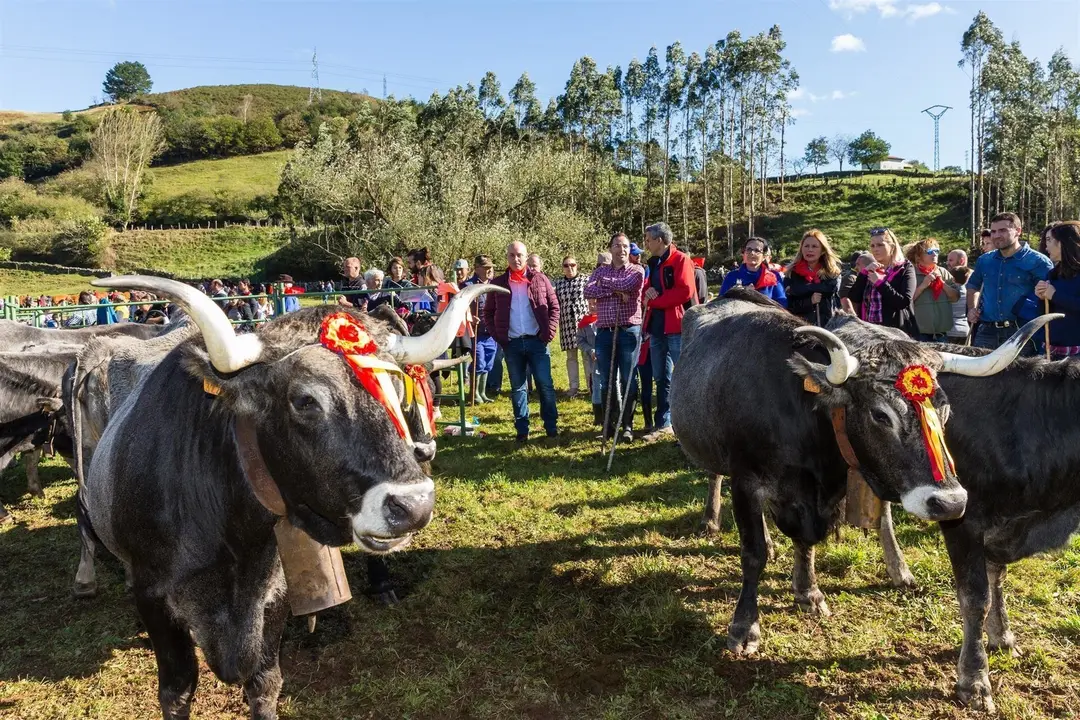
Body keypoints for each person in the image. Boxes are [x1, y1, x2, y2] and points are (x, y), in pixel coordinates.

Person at [483, 241, 561, 443]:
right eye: (511, 255)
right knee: (518, 388)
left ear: (526, 257)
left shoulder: (540, 280)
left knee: (545, 385)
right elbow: (488, 313)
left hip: (537, 342)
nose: (516, 259)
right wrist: (499, 337)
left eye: (519, 255)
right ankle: (522, 430)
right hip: (512, 344)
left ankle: (551, 427)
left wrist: (548, 333)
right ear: (506, 257)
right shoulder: (498, 284)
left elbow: (554, 307)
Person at [584, 232, 646, 442]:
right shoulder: (600, 270)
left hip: (628, 331)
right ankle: (609, 425)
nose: (622, 250)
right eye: (618, 246)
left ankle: (627, 425)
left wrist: (605, 285)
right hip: (605, 332)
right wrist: (614, 289)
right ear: (610, 249)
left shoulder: (637, 270)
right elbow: (587, 290)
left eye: (626, 246)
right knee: (606, 381)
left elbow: (629, 286)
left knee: (628, 379)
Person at [641, 222, 697, 441]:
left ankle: (689, 425)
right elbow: (647, 289)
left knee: (683, 376)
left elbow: (685, 291)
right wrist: (649, 293)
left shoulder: (681, 260)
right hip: (656, 328)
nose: (646, 243)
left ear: (660, 240)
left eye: (648, 239)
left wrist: (657, 301)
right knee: (661, 376)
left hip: (676, 327)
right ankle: (664, 422)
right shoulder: (653, 263)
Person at [966, 212, 1053, 350]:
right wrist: (972, 308)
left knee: (1020, 372)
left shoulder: (1039, 262)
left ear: (1018, 231)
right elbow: (973, 286)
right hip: (986, 331)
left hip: (1022, 331)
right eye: (993, 231)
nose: (996, 235)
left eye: (1003, 230)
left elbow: (1051, 298)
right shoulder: (984, 261)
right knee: (982, 372)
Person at [849, 228, 916, 337]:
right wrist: (864, 273)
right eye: (872, 246)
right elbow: (854, 297)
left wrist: (880, 283)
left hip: (896, 333)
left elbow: (904, 302)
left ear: (892, 247)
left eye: (880, 245)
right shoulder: (871, 269)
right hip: (870, 331)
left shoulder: (905, 268)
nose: (875, 249)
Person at [1030, 221, 1080, 359]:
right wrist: (1041, 298)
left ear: (1063, 243)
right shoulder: (1052, 274)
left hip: (1076, 356)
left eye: (1049, 240)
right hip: (1051, 352)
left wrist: (1055, 295)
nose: (1046, 247)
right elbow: (1045, 314)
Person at [784, 229, 841, 326]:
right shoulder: (791, 273)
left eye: (814, 246)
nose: (809, 250)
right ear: (801, 248)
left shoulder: (832, 272)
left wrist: (799, 289)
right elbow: (789, 305)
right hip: (801, 326)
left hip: (828, 326)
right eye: (806, 246)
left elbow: (830, 289)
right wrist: (810, 301)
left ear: (822, 250)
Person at [909, 238, 960, 342]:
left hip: (942, 334)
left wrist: (942, 284)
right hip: (919, 334)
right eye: (930, 252)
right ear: (918, 257)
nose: (935, 254)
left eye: (936, 251)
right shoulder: (911, 273)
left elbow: (955, 298)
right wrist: (923, 285)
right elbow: (907, 301)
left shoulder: (944, 272)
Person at [554, 254, 589, 397]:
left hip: (584, 324)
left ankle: (591, 385)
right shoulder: (559, 284)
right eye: (566, 265)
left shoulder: (585, 280)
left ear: (577, 266)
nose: (570, 268)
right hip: (567, 324)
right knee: (571, 357)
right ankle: (574, 387)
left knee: (587, 355)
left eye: (572, 265)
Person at [463, 255, 497, 403]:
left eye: (490, 267)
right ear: (477, 268)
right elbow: (461, 307)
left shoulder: (493, 284)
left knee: (489, 361)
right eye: (486, 268)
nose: (489, 270)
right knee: (479, 361)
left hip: (490, 331)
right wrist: (470, 318)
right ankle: (473, 393)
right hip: (475, 330)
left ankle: (482, 393)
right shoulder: (467, 285)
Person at [719, 237, 787, 307]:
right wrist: (742, 294)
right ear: (743, 254)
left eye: (757, 250)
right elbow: (720, 303)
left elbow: (782, 304)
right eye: (749, 249)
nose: (752, 253)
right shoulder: (732, 276)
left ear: (764, 256)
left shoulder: (774, 276)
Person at [839, 252, 872, 316]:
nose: (856, 267)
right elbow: (847, 299)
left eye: (858, 264)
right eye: (856, 264)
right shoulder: (850, 277)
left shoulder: (872, 279)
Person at [947, 264, 972, 343]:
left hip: (951, 329)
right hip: (965, 329)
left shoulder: (951, 291)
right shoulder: (967, 290)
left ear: (952, 278)